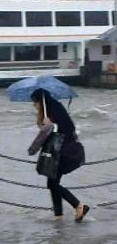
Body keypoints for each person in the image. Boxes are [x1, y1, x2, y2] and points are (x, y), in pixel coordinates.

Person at [28, 89, 89, 221]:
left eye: (35, 101)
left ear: (40, 100)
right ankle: (59, 216)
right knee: (53, 182)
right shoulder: (56, 107)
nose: (34, 105)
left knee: (52, 184)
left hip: (61, 153)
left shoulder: (50, 112)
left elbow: (43, 135)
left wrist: (32, 150)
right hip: (65, 150)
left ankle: (78, 205)